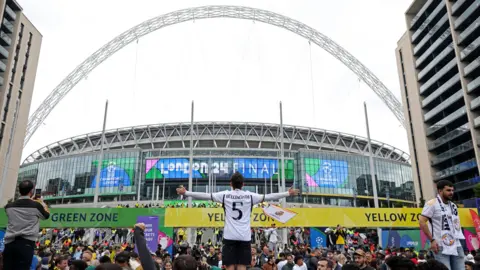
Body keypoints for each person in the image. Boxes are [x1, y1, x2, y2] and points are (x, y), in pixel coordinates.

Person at [177, 172, 299, 270]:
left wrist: (186, 192)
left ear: (231, 184)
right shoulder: (250, 196)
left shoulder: (225, 195)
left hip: (229, 236)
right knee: (241, 266)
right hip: (244, 237)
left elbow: (205, 195)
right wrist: (287, 193)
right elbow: (270, 196)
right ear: (243, 184)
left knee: (229, 266)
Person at [3, 180, 50, 270]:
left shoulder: (8, 207)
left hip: (9, 244)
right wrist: (42, 202)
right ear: (32, 191)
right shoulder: (36, 205)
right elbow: (46, 216)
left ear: (19, 190)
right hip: (26, 245)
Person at [419, 180, 465, 270]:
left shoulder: (453, 205)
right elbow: (421, 221)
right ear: (440, 191)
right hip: (440, 245)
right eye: (448, 190)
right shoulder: (431, 204)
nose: (451, 193)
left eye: (452, 190)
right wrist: (432, 240)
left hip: (456, 244)